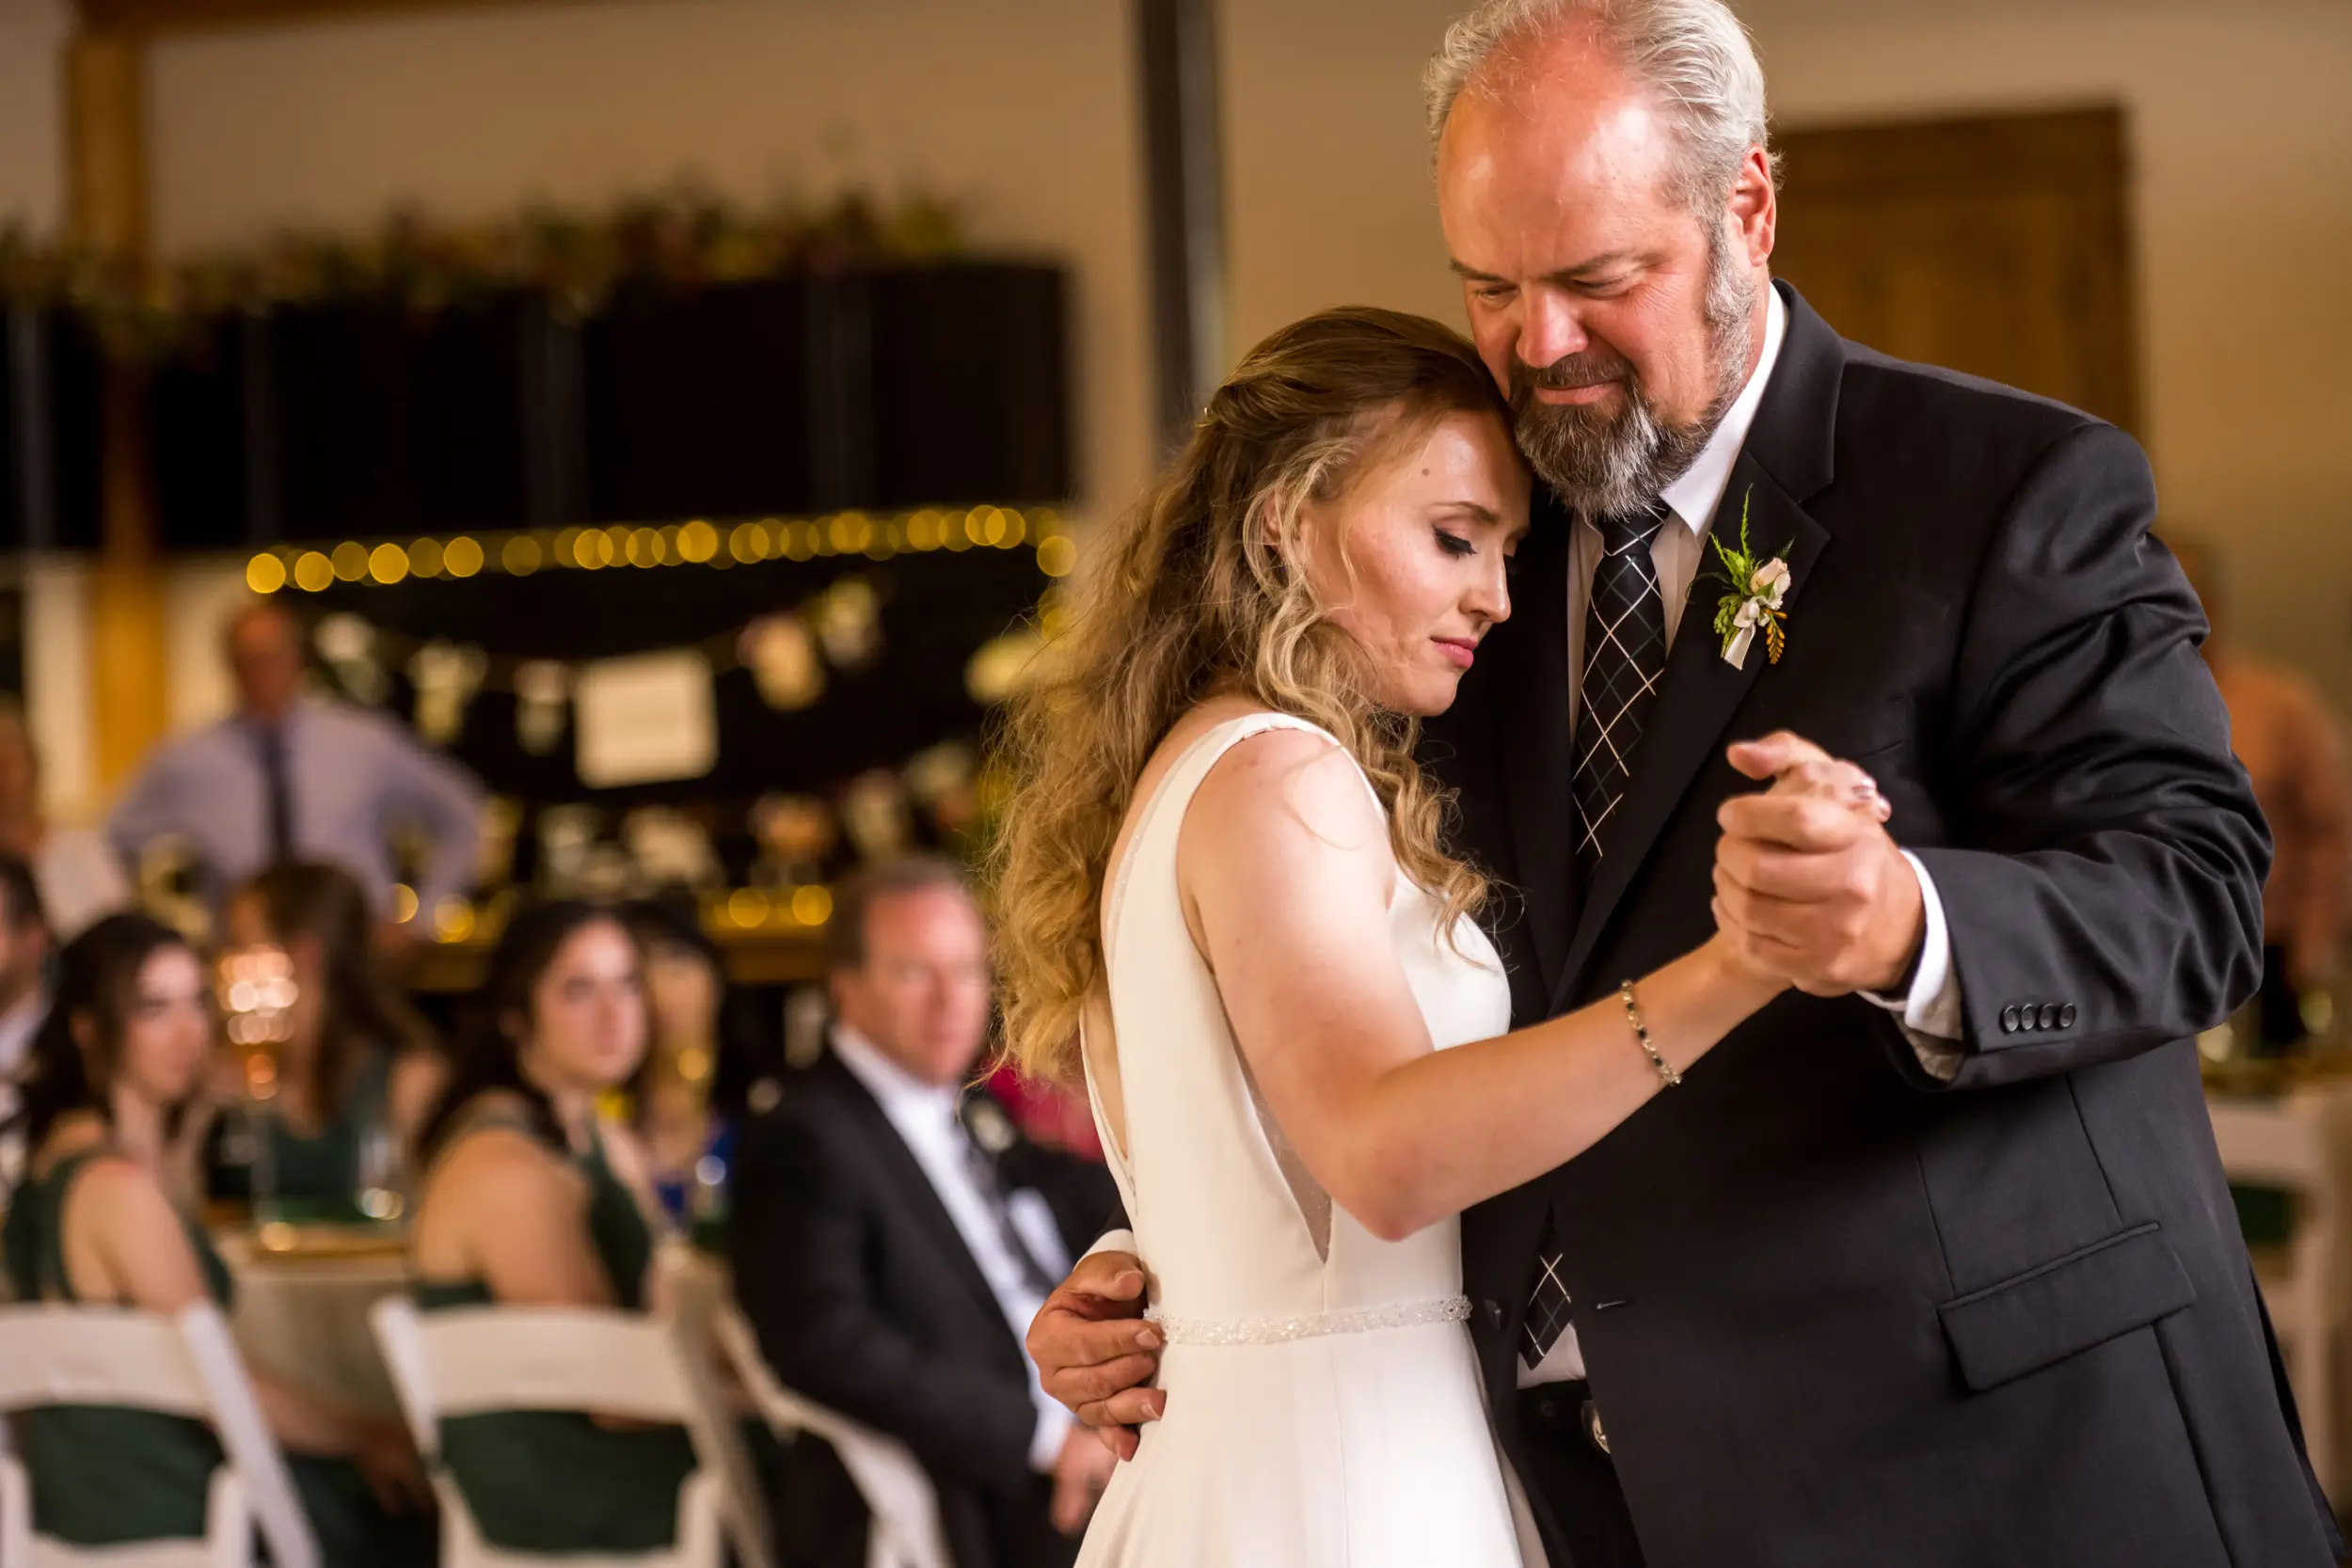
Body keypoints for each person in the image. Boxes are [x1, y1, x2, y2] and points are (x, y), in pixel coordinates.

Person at [1019, 3, 2337, 1566]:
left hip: (1994, 1467)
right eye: (1492, 287)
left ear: (1745, 209)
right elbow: (1370, 1014)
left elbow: (2191, 895)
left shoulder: (2001, 490)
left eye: (1597, 280)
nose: (1542, 343)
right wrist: (1183, 1268)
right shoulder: (1450, 557)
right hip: (1581, 1500)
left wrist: (1913, 921)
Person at [0, 913, 433, 1565]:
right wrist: (372, 1435)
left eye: (196, 1001)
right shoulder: (115, 1187)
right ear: (89, 1028)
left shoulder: (57, 1161)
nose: (187, 1032)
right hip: (172, 1500)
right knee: (423, 1503)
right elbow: (225, 1390)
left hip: (82, 1501)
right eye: (153, 1008)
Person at [730, 856, 1124, 1568]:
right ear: (846, 989)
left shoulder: (962, 1103)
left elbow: (1080, 1193)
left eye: (968, 970)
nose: (952, 1000)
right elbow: (824, 1342)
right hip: (972, 1490)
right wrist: (1043, 1438)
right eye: (915, 973)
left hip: (1080, 1429)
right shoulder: (802, 1133)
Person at [405, 898, 701, 1555]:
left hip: (622, 1440)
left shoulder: (596, 1132)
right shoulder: (505, 1163)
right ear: (516, 1017)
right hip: (560, 1479)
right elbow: (610, 1389)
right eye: (579, 989)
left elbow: (665, 1299)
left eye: (627, 982)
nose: (615, 1012)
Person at [106, 599, 484, 932]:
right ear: (229, 666)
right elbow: (114, 839)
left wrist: (423, 918)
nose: (263, 673)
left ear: (298, 658)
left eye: (273, 656)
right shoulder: (188, 760)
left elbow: (461, 810)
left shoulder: (362, 742)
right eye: (248, 661)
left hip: (352, 951)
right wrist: (160, 935)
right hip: (246, 957)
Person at [2175, 536, 2349, 1050]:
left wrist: (2313, 951)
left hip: (2269, 951)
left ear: (2215, 602)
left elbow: (2331, 832)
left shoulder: (2280, 703)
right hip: (2166, 941)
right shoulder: (2115, 710)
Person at [204, 861, 446, 1219]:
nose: (223, 964)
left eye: (241, 945)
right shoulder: (226, 1072)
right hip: (253, 1273)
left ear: (303, 954)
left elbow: (435, 1215)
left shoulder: (407, 1078)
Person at [620, 895, 771, 1235]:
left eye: (676, 962)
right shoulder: (598, 1125)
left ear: (715, 978)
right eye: (636, 972)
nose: (658, 988)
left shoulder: (764, 1112)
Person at [0, 698, 132, 942]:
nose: (3, 780)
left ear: (34, 766)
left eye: (7, 764)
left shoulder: (83, 851)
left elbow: (118, 937)